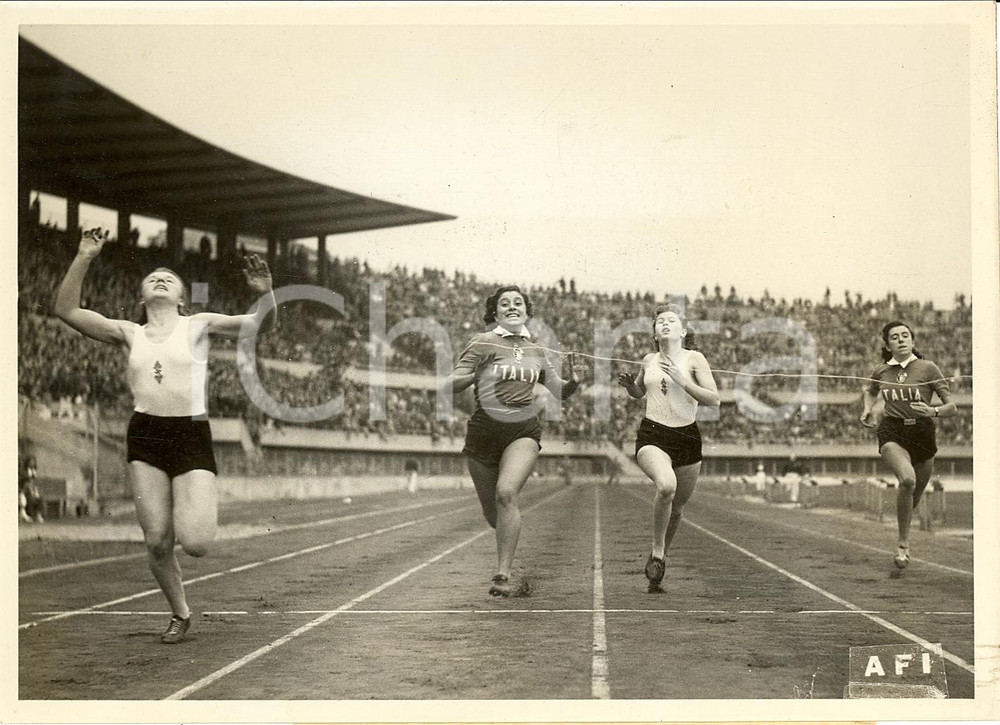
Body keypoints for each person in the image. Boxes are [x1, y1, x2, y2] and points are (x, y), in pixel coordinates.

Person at [54, 227, 277, 643]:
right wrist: (84, 256)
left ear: (181, 299)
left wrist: (265, 295)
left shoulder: (198, 325)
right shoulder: (129, 332)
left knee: (195, 543)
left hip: (190, 433)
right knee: (157, 541)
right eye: (153, 277)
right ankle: (180, 613)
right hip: (146, 434)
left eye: (169, 278)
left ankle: (192, 500)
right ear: (141, 298)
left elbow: (259, 326)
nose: (160, 278)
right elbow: (66, 310)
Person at [442, 285, 586, 596]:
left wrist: (573, 382)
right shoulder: (482, 342)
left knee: (506, 494)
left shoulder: (537, 351)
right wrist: (476, 374)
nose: (512, 306)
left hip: (522, 429)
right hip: (483, 431)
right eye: (504, 303)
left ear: (526, 312)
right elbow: (449, 385)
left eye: (518, 302)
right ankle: (509, 534)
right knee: (493, 514)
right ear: (495, 313)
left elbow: (560, 391)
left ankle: (503, 575)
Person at [618, 304, 720, 593]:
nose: (664, 323)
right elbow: (640, 392)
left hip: (687, 436)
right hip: (654, 433)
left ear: (683, 331)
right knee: (665, 487)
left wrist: (681, 379)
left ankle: (659, 560)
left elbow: (714, 400)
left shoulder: (694, 358)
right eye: (659, 321)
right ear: (654, 333)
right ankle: (657, 552)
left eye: (671, 320)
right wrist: (630, 387)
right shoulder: (648, 359)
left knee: (677, 509)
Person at [860, 320, 956, 569]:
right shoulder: (881, 371)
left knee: (913, 497)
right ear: (887, 345)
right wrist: (867, 409)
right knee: (907, 480)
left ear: (912, 340)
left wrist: (933, 411)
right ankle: (903, 544)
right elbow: (870, 391)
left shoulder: (928, 368)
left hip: (923, 433)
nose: (901, 339)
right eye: (895, 337)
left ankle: (903, 526)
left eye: (905, 335)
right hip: (893, 430)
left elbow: (952, 407)